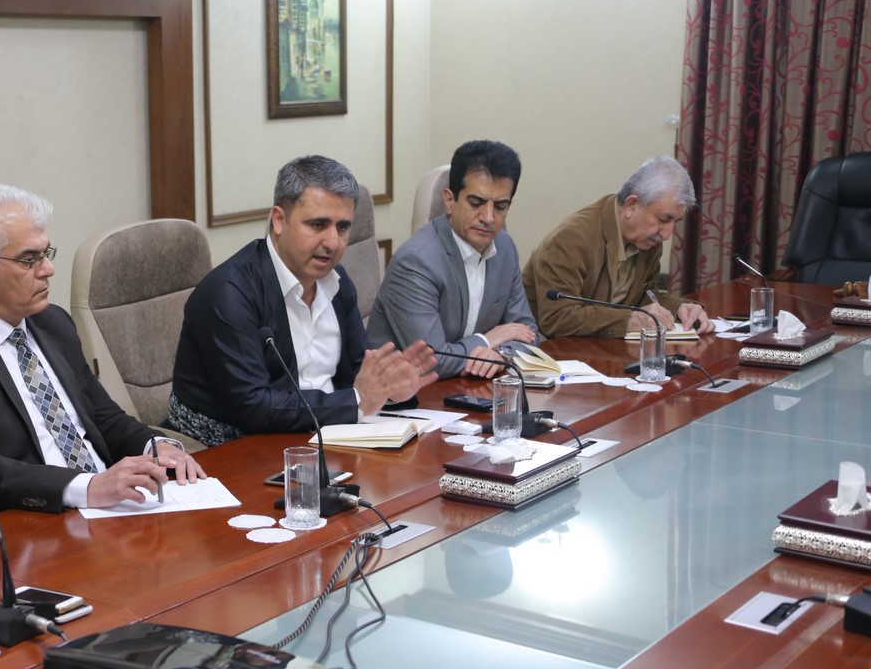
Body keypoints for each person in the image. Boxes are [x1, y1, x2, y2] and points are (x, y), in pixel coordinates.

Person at [0, 184, 203, 524]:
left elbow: (102, 416)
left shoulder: (52, 322)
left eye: (46, 254)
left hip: (111, 508)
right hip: (26, 518)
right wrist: (84, 487)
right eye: (29, 260)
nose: (48, 269)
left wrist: (155, 445)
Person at [168, 155, 437, 447]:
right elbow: (254, 407)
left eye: (343, 227)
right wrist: (357, 400)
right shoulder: (228, 293)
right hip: (227, 449)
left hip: (322, 436)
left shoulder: (338, 282)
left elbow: (359, 371)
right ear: (279, 220)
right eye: (318, 224)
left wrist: (391, 389)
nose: (333, 242)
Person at [368, 140, 539, 378]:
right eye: (476, 203)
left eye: (500, 206)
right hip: (405, 393)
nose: (488, 217)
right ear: (449, 200)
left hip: (469, 386)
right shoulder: (415, 262)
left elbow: (528, 334)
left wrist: (501, 355)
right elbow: (432, 361)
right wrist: (487, 340)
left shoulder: (505, 247)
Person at [522, 155, 713, 338]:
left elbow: (645, 296)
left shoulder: (648, 240)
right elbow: (556, 318)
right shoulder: (571, 238)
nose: (667, 234)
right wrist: (629, 320)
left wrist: (679, 308)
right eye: (664, 219)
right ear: (631, 205)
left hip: (604, 348)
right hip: (550, 348)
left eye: (675, 221)